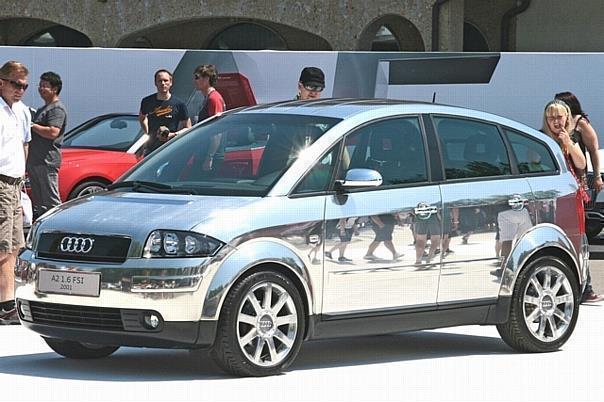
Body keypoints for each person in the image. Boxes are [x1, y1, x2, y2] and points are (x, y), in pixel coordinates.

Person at [542, 99, 604, 303]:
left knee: (578, 241)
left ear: (567, 117)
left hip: (573, 199)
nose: (556, 122)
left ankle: (586, 288)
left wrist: (568, 142)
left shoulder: (572, 137)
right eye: (551, 118)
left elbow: (581, 162)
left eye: (559, 117)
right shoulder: (542, 139)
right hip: (552, 200)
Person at [0, 60, 31, 324]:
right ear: (2, 82)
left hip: (14, 184)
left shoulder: (19, 111)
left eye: (25, 86)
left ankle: (8, 303)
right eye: (16, 84)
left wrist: (21, 186)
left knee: (14, 247)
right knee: (2, 247)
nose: (20, 90)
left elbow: (23, 146)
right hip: (0, 183)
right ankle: (5, 304)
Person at [26, 71, 67, 220]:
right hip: (35, 161)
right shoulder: (44, 108)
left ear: (54, 89)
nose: (41, 89)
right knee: (40, 201)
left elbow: (53, 132)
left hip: (47, 161)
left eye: (45, 86)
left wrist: (32, 125)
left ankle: (59, 226)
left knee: (51, 200)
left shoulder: (56, 109)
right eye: (40, 85)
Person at [554, 92, 603, 192]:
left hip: (578, 172)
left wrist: (597, 177)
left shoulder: (580, 122)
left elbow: (593, 150)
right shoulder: (555, 122)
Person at [139, 69, 190, 156]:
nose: (163, 83)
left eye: (165, 80)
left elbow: (188, 128)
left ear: (171, 83)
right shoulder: (147, 101)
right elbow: (142, 118)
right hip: (151, 149)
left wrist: (173, 134)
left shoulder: (179, 104)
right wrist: (148, 132)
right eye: (160, 81)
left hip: (170, 149)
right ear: (155, 83)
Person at [193, 64, 226, 173]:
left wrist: (209, 157)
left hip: (210, 154)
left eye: (197, 77)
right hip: (203, 151)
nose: (194, 81)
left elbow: (217, 130)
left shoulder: (213, 98)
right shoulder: (207, 98)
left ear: (207, 79)